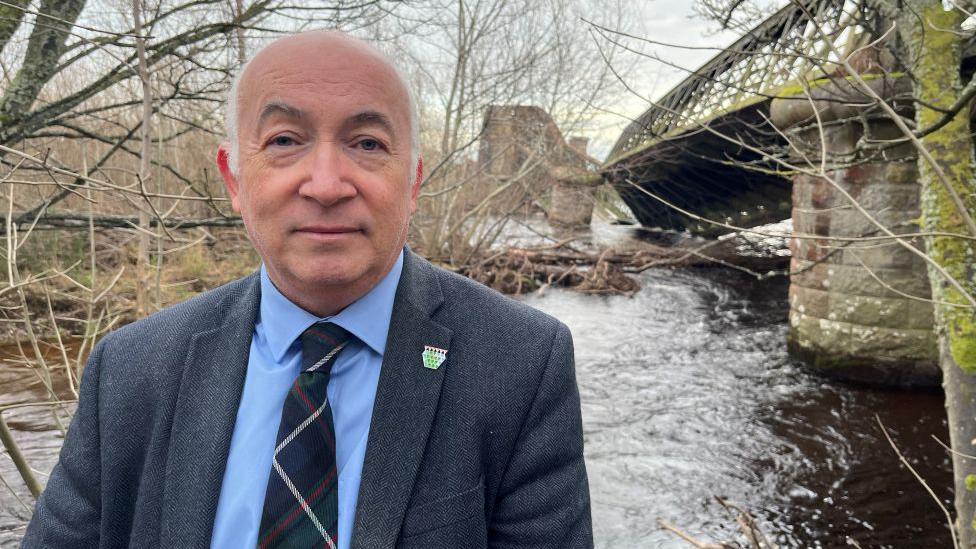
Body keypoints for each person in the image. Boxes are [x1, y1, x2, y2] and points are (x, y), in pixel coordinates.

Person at [22, 31, 592, 549]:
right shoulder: (128, 371)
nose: (325, 185)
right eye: (285, 140)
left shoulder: (520, 365)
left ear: (413, 180)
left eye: (367, 144)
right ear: (234, 179)